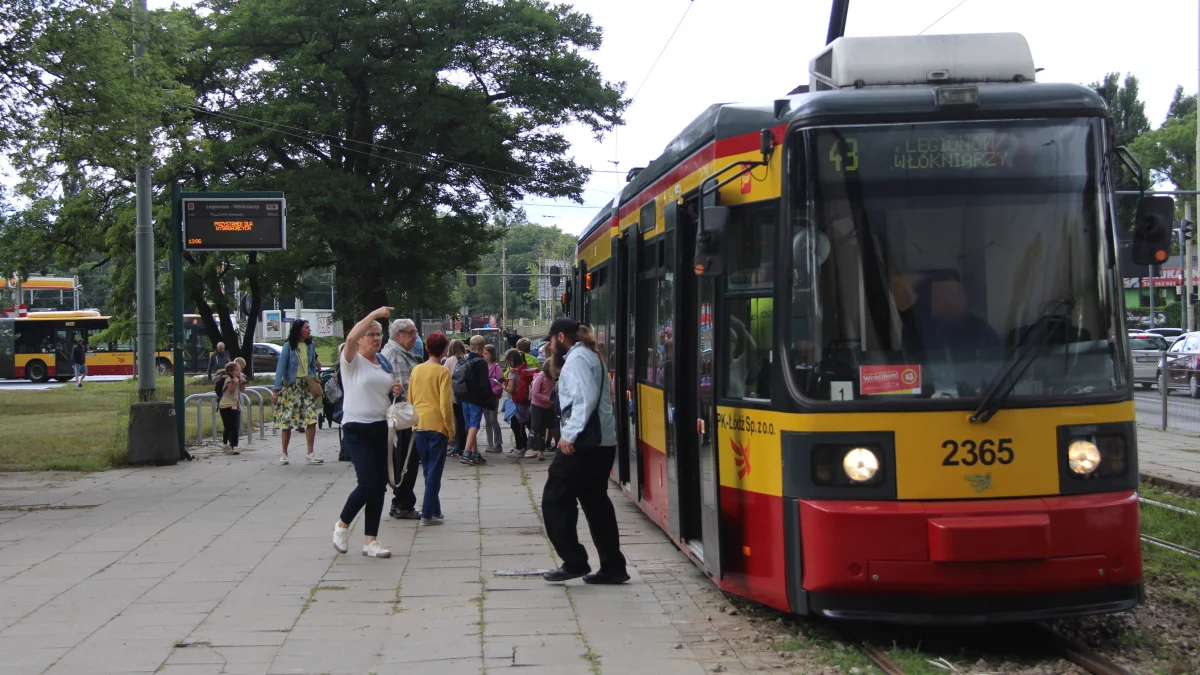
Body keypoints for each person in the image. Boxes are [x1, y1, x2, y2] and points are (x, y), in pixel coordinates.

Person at [540, 318, 628, 584]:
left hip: (583, 444)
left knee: (554, 498)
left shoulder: (577, 359)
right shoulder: (591, 355)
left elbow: (585, 398)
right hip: (601, 443)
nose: (551, 344)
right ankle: (613, 566)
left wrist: (569, 435)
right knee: (596, 502)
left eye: (552, 339)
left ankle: (575, 560)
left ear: (560, 338)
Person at [333, 306, 403, 559]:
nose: (376, 338)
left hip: (381, 428)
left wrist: (394, 390)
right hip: (356, 427)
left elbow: (384, 390)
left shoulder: (382, 362)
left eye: (378, 334)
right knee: (368, 483)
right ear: (361, 337)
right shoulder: (351, 360)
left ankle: (370, 541)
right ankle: (342, 525)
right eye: (371, 334)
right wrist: (375, 314)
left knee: (380, 487)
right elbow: (350, 338)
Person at [408, 332, 454, 527]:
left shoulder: (416, 370)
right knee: (435, 471)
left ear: (426, 348)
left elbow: (410, 398)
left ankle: (435, 509)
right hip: (437, 425)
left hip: (419, 424)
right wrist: (450, 430)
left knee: (428, 469)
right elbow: (445, 403)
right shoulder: (443, 372)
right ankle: (427, 513)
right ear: (445, 350)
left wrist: (412, 423)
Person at [382, 318, 424, 520]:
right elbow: (404, 388)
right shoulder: (396, 355)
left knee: (404, 460)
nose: (415, 336)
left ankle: (401, 502)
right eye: (411, 332)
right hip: (404, 417)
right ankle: (403, 504)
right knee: (407, 460)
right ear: (398, 335)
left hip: (400, 416)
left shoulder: (397, 351)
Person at [272, 319, 323, 465]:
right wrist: (276, 390)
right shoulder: (288, 347)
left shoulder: (310, 345)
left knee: (311, 417)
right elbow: (280, 369)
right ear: (299, 329)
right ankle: (284, 452)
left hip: (306, 386)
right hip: (290, 387)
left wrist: (313, 377)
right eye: (307, 328)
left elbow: (312, 365)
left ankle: (310, 453)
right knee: (287, 420)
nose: (309, 330)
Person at [455, 335, 495, 466]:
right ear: (483, 347)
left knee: (469, 425)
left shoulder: (463, 359)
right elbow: (484, 384)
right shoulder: (481, 362)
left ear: (470, 346)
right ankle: (466, 453)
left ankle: (474, 453)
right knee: (475, 425)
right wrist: (489, 399)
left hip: (463, 396)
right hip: (475, 398)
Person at [502, 349, 532, 457]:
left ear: (511, 360)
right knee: (522, 425)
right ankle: (524, 446)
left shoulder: (513, 373)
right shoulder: (525, 370)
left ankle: (519, 449)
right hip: (524, 402)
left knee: (516, 426)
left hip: (514, 402)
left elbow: (511, 389)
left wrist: (502, 386)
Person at [443, 339, 468, 458]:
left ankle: (457, 445)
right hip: (466, 394)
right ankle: (466, 444)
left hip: (453, 394)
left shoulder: (449, 361)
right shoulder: (467, 358)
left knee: (457, 421)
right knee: (464, 420)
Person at [529, 360, 557, 461]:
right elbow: (535, 393)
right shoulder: (540, 377)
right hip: (537, 406)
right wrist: (547, 399)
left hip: (548, 407)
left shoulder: (552, 378)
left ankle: (541, 451)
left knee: (543, 429)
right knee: (535, 426)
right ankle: (530, 448)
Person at [218, 361, 246, 455]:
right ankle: (225, 443)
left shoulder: (238, 378)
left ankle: (235, 446)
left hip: (235, 404)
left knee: (235, 426)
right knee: (228, 427)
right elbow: (230, 390)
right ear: (231, 372)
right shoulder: (228, 379)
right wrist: (235, 382)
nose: (239, 372)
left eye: (239, 370)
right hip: (225, 405)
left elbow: (243, 390)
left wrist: (242, 382)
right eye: (237, 370)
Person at [482, 344, 504, 454]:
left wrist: (494, 391)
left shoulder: (496, 368)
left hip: (493, 397)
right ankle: (490, 443)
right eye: (483, 353)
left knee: (493, 420)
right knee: (487, 421)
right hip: (484, 397)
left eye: (486, 353)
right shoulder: (482, 366)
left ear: (491, 354)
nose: (484, 355)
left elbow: (500, 383)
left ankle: (498, 443)